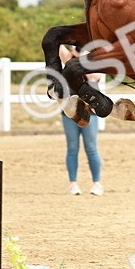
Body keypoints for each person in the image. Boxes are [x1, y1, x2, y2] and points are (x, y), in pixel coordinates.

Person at [59, 44, 103, 195]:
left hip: (90, 112)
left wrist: (80, 56)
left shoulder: (94, 64)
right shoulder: (69, 62)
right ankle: (73, 183)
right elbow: (57, 47)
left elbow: (93, 77)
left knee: (91, 147)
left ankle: (96, 183)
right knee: (72, 148)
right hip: (70, 111)